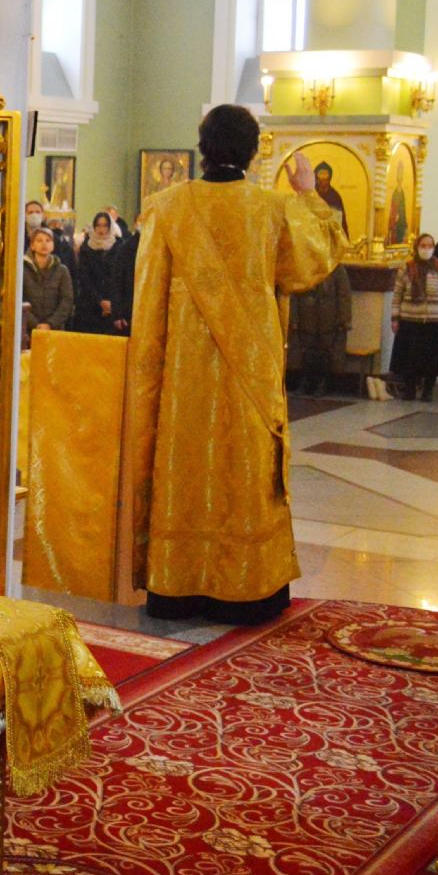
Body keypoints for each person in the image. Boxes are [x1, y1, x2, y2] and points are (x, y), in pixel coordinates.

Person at [125, 105, 346, 625]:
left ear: (202, 147)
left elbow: (147, 298)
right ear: (252, 152)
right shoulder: (272, 210)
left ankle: (178, 586)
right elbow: (316, 257)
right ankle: (248, 589)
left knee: (185, 466)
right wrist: (307, 192)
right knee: (244, 474)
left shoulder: (166, 208)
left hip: (181, 378)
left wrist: (150, 374)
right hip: (251, 372)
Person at [390, 233, 438, 402]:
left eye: (430, 246)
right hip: (410, 320)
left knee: (431, 358)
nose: (426, 249)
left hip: (433, 321)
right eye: (423, 246)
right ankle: (409, 390)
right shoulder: (407, 268)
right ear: (417, 247)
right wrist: (395, 318)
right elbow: (397, 295)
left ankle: (428, 390)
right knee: (410, 358)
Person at [289, 263, 352, 396]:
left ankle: (322, 382)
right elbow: (294, 293)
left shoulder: (336, 269)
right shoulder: (303, 264)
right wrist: (293, 318)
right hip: (306, 316)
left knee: (326, 351)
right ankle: (305, 381)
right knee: (305, 350)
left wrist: (343, 319)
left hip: (328, 319)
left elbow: (344, 296)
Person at [74, 211, 130, 336]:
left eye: (105, 225)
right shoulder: (86, 248)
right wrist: (100, 301)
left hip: (114, 305)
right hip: (90, 305)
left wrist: (111, 302)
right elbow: (84, 278)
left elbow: (121, 277)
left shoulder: (120, 247)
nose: (101, 229)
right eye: (98, 225)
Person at [22, 226, 73, 345]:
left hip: (55, 329)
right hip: (28, 330)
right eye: (39, 240)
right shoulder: (22, 269)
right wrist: (36, 324)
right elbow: (19, 300)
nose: (44, 244)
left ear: (53, 245)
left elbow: (67, 300)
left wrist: (50, 324)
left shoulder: (62, 270)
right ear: (32, 245)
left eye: (48, 240)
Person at [314, 162, 349, 235]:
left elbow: (341, 222)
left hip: (331, 234)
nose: (323, 181)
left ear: (329, 179)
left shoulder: (335, 197)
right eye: (321, 176)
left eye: (325, 178)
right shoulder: (311, 194)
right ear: (316, 178)